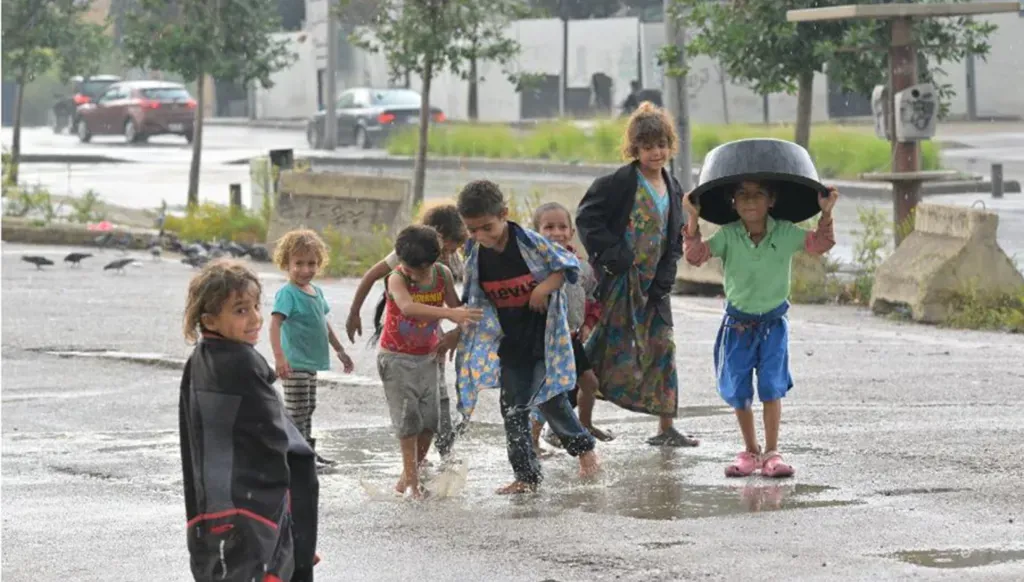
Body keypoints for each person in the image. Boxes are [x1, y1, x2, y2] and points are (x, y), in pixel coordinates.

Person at [447, 180, 600, 494]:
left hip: (545, 336)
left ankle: (585, 451)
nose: (480, 236)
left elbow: (566, 264)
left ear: (504, 214)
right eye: (472, 230)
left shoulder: (530, 243)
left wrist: (543, 288)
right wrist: (457, 333)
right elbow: (474, 300)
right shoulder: (476, 253)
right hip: (512, 339)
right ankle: (526, 477)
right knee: (513, 409)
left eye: (486, 227)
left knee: (551, 399)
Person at [683, 181, 838, 477]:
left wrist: (826, 213)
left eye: (758, 194)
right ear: (732, 202)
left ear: (772, 199)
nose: (749, 200)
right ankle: (750, 450)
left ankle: (772, 452)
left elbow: (821, 244)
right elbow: (695, 256)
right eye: (742, 194)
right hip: (737, 326)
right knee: (739, 390)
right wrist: (693, 218)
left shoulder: (785, 232)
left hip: (773, 325)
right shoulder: (728, 235)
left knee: (770, 387)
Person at [179, 259, 319, 582]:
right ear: (208, 319)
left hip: (212, 510)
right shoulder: (244, 363)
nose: (256, 318)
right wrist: (298, 541)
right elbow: (283, 447)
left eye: (256, 306)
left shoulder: (199, 360)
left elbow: (196, 437)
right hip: (255, 516)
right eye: (240, 310)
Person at [576, 101, 699, 448]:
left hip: (654, 288)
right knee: (599, 349)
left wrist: (666, 275)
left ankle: (665, 428)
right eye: (647, 147)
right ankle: (577, 423)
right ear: (635, 149)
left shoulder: (673, 187)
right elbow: (587, 220)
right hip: (620, 283)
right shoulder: (618, 183)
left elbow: (674, 237)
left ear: (670, 145)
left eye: (661, 145)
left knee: (663, 348)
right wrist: (615, 258)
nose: (656, 153)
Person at [345, 204, 467, 458]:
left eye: (451, 251)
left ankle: (440, 453)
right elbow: (372, 277)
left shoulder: (444, 265)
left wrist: (453, 331)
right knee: (411, 408)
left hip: (430, 338)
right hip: (401, 340)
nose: (448, 254)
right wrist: (354, 312)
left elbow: (451, 302)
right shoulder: (405, 257)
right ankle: (418, 463)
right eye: (447, 249)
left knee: (436, 402)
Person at [373, 225, 484, 498]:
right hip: (396, 357)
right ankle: (412, 481)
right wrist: (450, 314)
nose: (413, 274)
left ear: (435, 261)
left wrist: (456, 331)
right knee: (407, 418)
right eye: (408, 267)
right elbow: (408, 307)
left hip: (428, 357)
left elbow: (458, 309)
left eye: (419, 270)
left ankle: (412, 472)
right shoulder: (397, 278)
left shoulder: (442, 275)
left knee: (430, 421)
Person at [529, 202, 613, 452]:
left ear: (572, 231)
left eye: (562, 226)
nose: (556, 232)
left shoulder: (582, 267)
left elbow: (594, 298)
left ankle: (584, 424)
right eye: (549, 227)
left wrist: (588, 324)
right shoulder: (534, 268)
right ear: (536, 233)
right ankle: (532, 442)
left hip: (571, 337)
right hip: (545, 339)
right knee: (548, 392)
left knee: (589, 384)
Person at [269, 229, 355, 469]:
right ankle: (294, 456)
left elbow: (322, 322)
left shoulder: (316, 292)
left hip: (310, 363)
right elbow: (275, 324)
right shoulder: (287, 294)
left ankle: (306, 453)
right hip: (294, 363)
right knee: (297, 411)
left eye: (312, 263)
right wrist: (279, 357)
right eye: (298, 263)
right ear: (286, 263)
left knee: (307, 408)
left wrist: (339, 349)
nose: (306, 270)